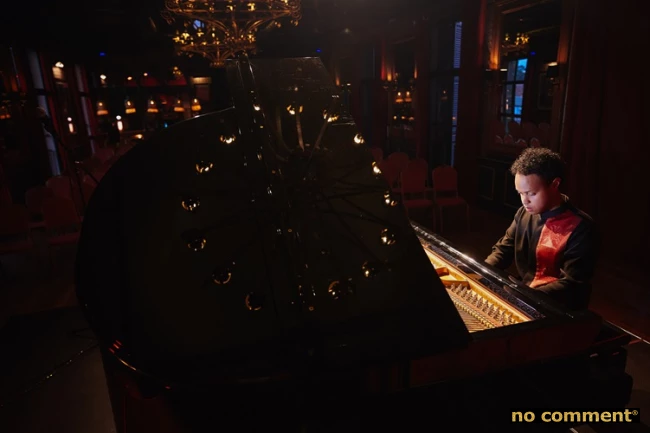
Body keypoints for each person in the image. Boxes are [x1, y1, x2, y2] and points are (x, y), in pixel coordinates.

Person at [485, 147, 597, 310]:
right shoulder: (524, 213)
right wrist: (481, 272)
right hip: (525, 295)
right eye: (520, 193)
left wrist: (522, 295)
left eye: (531, 193)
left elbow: (572, 283)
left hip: (557, 307)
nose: (525, 201)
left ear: (555, 184)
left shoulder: (581, 227)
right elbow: (503, 250)